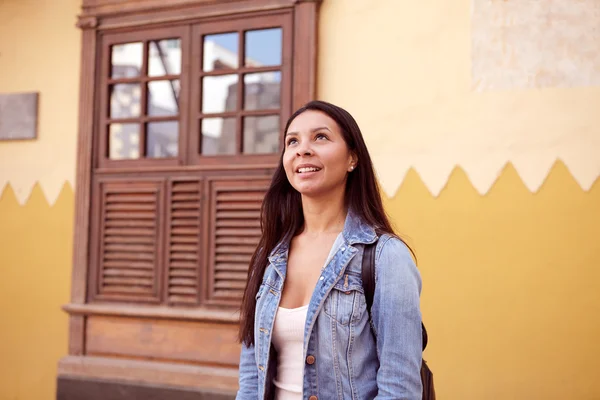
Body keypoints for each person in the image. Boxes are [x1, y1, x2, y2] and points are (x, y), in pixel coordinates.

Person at [236, 100, 423, 400]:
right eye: (292, 141)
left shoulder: (386, 257)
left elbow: (399, 389)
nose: (303, 149)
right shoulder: (269, 256)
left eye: (320, 137)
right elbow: (250, 380)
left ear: (352, 158)